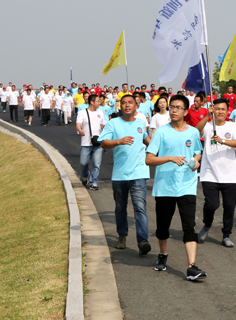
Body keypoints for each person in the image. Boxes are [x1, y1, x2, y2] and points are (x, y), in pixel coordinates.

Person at [144, 94, 207, 280]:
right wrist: (170, 158)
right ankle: (163, 254)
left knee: (189, 226)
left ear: (186, 111)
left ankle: (192, 266)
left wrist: (196, 161)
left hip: (187, 185)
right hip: (165, 186)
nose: (173, 110)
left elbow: (197, 152)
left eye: (178, 107)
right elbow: (149, 159)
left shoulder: (193, 132)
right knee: (163, 226)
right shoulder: (161, 132)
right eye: (172, 107)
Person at [98, 94, 152, 256]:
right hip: (120, 174)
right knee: (120, 208)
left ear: (136, 106)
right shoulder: (113, 123)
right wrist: (119, 141)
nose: (127, 105)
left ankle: (143, 240)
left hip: (139, 172)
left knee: (140, 207)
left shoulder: (141, 123)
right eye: (124, 103)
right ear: (120, 106)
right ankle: (122, 235)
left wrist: (158, 147)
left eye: (130, 103)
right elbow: (103, 142)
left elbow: (146, 139)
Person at [197, 98, 236, 247]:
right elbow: (197, 130)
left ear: (227, 111)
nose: (220, 112)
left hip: (229, 175)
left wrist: (222, 141)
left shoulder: (232, 126)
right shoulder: (208, 126)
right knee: (212, 205)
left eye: (223, 109)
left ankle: (226, 235)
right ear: (213, 110)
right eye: (217, 109)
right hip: (209, 173)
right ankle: (207, 224)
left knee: (229, 207)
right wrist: (207, 116)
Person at [77, 94, 106, 191]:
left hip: (97, 142)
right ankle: (85, 175)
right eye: (97, 101)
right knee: (83, 163)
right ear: (91, 102)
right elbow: (78, 124)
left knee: (96, 164)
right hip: (86, 143)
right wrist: (80, 130)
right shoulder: (82, 112)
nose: (99, 103)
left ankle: (93, 182)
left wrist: (104, 128)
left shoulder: (100, 112)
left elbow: (103, 124)